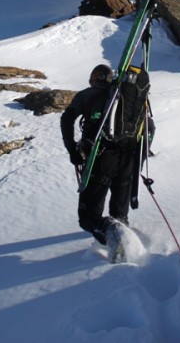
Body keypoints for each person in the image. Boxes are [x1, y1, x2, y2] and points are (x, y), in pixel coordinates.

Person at [60, 64, 139, 245]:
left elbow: (66, 118)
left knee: (88, 217)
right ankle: (123, 244)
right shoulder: (128, 98)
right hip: (128, 159)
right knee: (120, 215)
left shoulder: (87, 95)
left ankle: (112, 232)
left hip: (101, 158)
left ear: (94, 78)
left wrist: (72, 150)